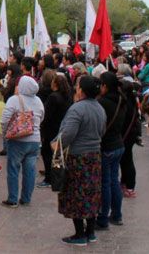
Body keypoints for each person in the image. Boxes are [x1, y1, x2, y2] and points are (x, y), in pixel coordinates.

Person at [52, 76, 105, 247]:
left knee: (76, 194)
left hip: (78, 157)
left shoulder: (77, 109)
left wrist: (56, 145)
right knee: (91, 193)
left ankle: (79, 234)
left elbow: (68, 133)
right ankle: (90, 232)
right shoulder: (99, 108)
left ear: (81, 90)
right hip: (94, 155)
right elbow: (102, 130)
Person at [0, 76, 45, 208]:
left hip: (17, 140)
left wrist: (6, 133)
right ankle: (26, 198)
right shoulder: (39, 101)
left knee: (13, 169)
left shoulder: (14, 100)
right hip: (35, 139)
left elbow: (4, 120)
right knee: (30, 170)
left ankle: (13, 199)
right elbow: (41, 117)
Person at [96, 72, 127, 230]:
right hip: (118, 145)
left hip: (107, 146)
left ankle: (103, 218)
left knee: (105, 183)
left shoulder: (102, 102)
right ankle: (117, 215)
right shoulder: (122, 99)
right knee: (114, 180)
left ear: (105, 86)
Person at [38, 73, 72, 188]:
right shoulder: (67, 96)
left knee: (47, 152)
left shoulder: (53, 97)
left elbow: (46, 115)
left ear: (56, 84)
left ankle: (49, 178)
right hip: (61, 128)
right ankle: (56, 174)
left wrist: (42, 126)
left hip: (51, 129)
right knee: (57, 154)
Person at [119, 80, 141, 198]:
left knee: (127, 161)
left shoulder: (125, 104)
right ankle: (125, 183)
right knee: (126, 160)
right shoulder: (132, 101)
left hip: (125, 135)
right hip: (131, 135)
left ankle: (129, 186)